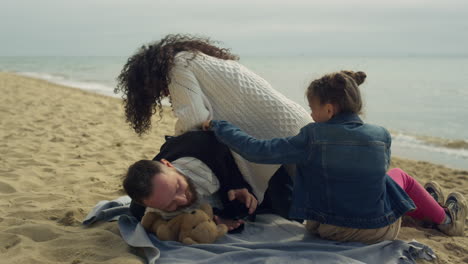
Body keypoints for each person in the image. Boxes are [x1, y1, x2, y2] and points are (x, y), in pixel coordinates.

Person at [202, 70, 467, 243]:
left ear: (329, 109)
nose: (311, 114)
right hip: (374, 230)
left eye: (312, 108)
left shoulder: (311, 136)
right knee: (398, 178)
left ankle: (433, 211)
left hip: (323, 228)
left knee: (380, 180)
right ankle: (445, 220)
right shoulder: (381, 135)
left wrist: (219, 126)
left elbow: (256, 149)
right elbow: (376, 178)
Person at [115, 34, 311, 204]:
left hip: (276, 135)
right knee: (312, 195)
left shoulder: (177, 66)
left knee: (302, 201)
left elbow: (194, 120)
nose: (163, 95)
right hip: (297, 120)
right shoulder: (200, 58)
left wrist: (173, 146)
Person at [122, 131, 294, 232]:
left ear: (169, 165)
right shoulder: (143, 207)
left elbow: (219, 148)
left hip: (215, 147)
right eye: (170, 205)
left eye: (178, 187)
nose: (183, 199)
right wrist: (219, 219)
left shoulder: (200, 155)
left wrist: (237, 185)